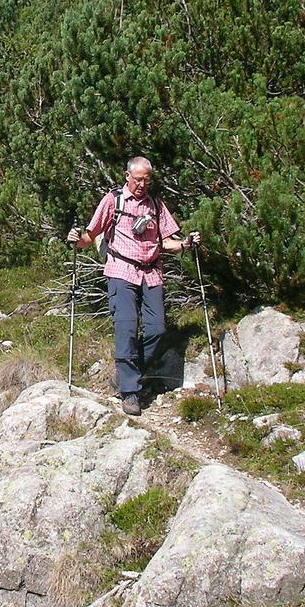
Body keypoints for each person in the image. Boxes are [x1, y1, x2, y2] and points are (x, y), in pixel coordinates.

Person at [67, 157, 200, 416]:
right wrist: (76, 239)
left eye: (146, 180)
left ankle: (126, 374)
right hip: (120, 270)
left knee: (158, 328)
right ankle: (130, 392)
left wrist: (185, 244)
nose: (141, 184)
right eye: (137, 179)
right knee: (126, 328)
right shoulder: (113, 201)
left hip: (151, 273)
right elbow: (90, 236)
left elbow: (167, 242)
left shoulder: (156, 205)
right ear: (127, 175)